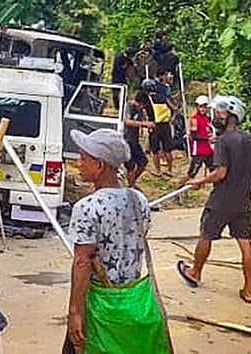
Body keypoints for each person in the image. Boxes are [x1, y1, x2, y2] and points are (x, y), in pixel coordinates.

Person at [66, 128, 172, 353]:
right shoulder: (139, 200)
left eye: (83, 158)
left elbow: (83, 262)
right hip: (134, 302)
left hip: (101, 306)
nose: (78, 162)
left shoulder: (87, 208)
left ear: (100, 165)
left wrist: (75, 312)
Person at [176, 96, 251, 303]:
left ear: (230, 116)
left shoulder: (224, 140)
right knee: (245, 243)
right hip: (244, 200)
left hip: (222, 199)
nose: (216, 115)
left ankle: (195, 273)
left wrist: (200, 180)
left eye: (220, 112)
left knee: (206, 234)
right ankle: (249, 290)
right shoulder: (250, 139)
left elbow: (221, 173)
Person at [148, 70, 176, 177]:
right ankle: (169, 170)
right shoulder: (164, 98)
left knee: (155, 150)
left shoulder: (149, 100)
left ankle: (158, 171)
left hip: (155, 125)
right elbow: (173, 108)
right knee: (167, 149)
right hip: (166, 125)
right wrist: (172, 118)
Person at [124, 91, 154, 187]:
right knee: (130, 166)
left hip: (134, 141)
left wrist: (146, 124)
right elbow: (127, 121)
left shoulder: (139, 110)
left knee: (143, 162)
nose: (141, 108)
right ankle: (131, 186)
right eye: (141, 105)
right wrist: (142, 124)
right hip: (126, 140)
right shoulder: (128, 107)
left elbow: (142, 120)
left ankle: (131, 183)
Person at [187, 95, 215, 178]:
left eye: (204, 107)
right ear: (197, 107)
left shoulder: (207, 118)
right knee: (192, 172)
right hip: (199, 150)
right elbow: (194, 136)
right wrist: (208, 138)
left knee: (213, 169)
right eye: (200, 107)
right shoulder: (195, 119)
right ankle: (182, 188)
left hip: (208, 149)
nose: (202, 109)